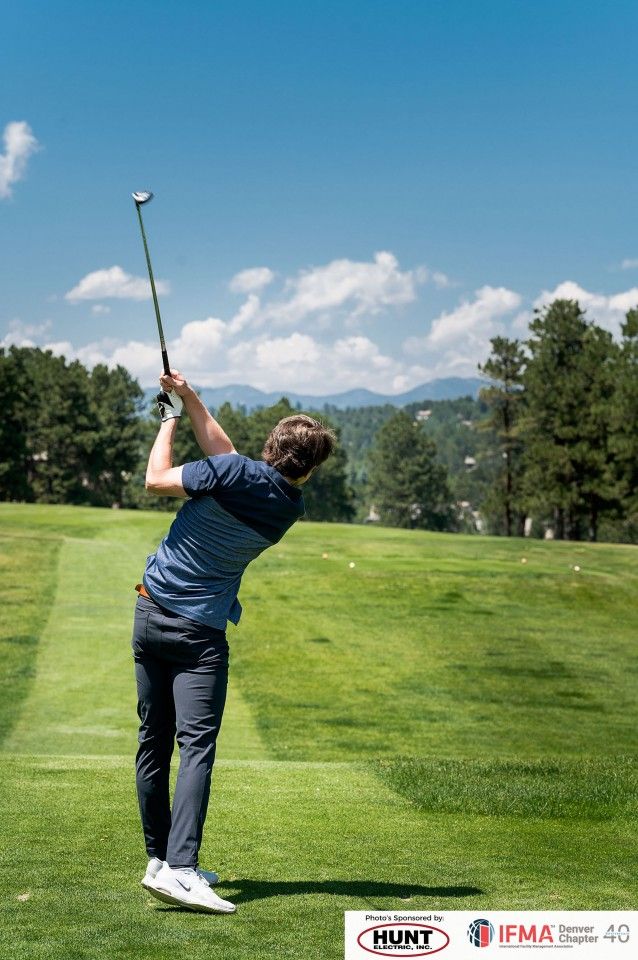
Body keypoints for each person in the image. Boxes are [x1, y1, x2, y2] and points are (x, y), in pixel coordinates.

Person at [131, 369, 335, 914]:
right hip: (199, 635)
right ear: (308, 470)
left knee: (154, 741)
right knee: (196, 748)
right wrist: (190, 396)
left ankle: (161, 859)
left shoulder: (232, 472)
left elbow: (156, 479)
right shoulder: (286, 507)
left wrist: (170, 418)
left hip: (149, 613)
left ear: (269, 448)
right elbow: (226, 460)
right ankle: (181, 868)